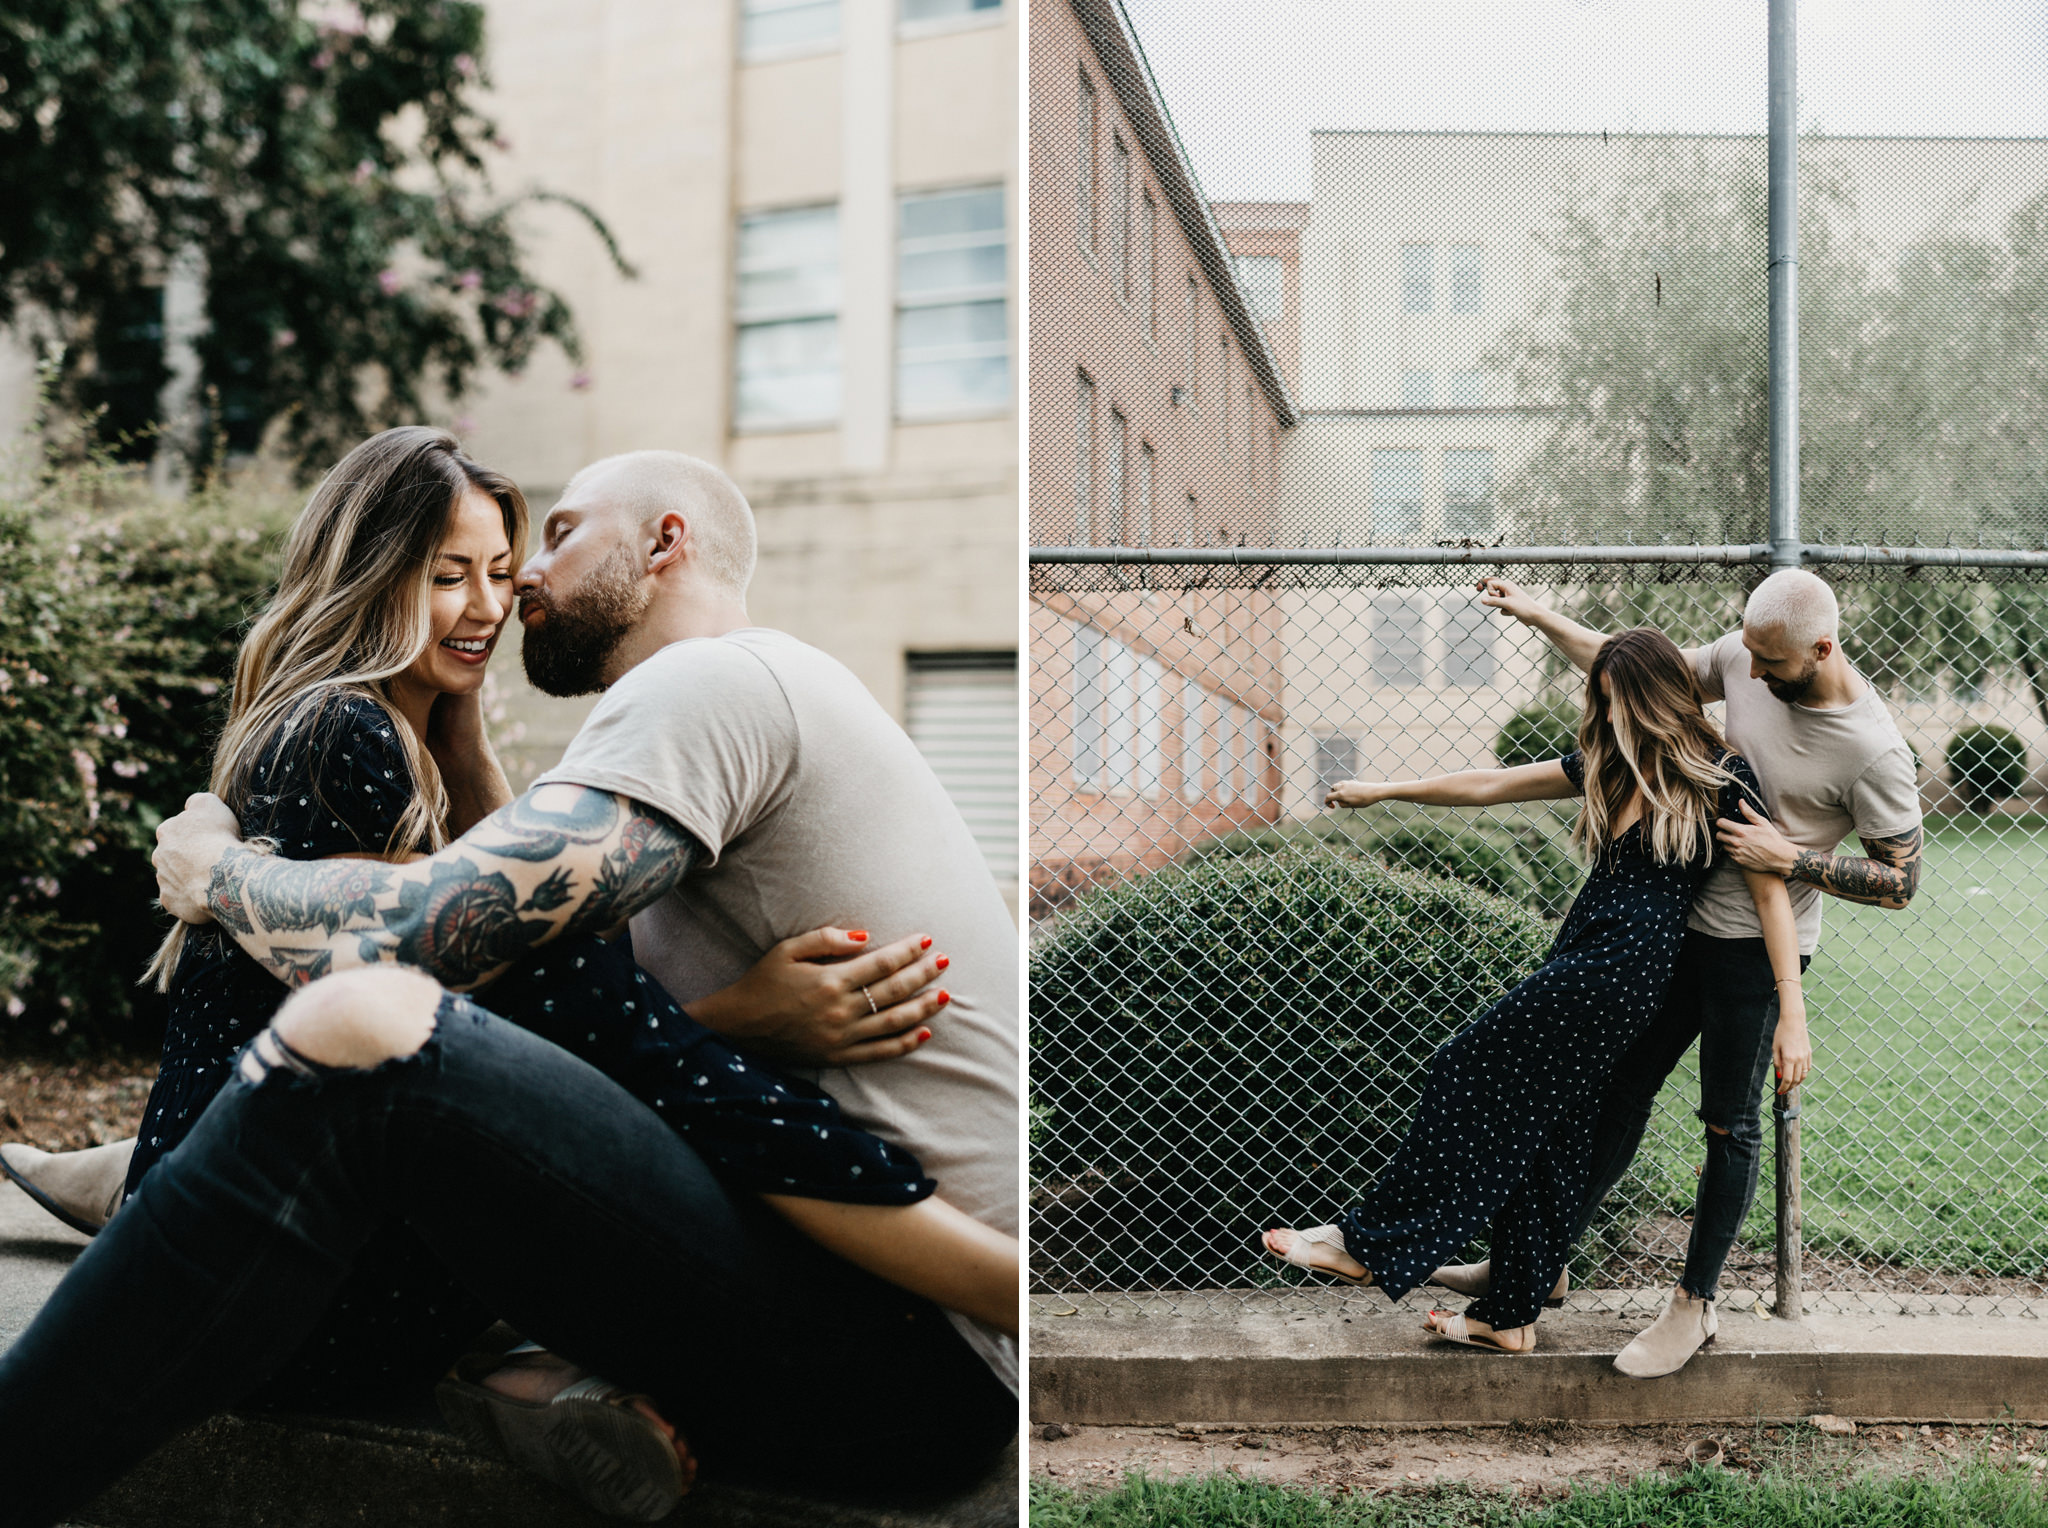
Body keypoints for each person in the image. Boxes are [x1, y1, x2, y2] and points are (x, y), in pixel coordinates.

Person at [0, 444, 1019, 1528]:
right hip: (879, 1316)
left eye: (556, 535)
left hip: (895, 1334)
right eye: (459, 570)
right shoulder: (729, 712)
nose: (519, 580)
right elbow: (566, 1004)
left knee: (370, 1018)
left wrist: (219, 872)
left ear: (665, 540)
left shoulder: (705, 684)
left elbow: (456, 937)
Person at [1426, 570, 1922, 1377]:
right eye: (1747, 657)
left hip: (1760, 953)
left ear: (1823, 649)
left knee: (1729, 1125)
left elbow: (1902, 882)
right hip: (1676, 927)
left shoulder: (1873, 750)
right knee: (1611, 1093)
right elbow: (1636, 671)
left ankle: (1694, 1306)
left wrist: (1791, 857)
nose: (1748, 678)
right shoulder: (1745, 654)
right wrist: (1541, 614)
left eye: (1770, 665)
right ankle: (1536, 1264)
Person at [1262, 628, 1805, 1356]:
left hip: (1622, 970)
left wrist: (1791, 1016)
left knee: (1466, 1063)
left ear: (1660, 698)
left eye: (1625, 705)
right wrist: (1386, 789)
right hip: (1585, 949)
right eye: (1603, 703)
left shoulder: (1717, 775)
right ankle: (1510, 1313)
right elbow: (1493, 784)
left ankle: (1367, 1244)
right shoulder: (1610, 762)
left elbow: (1772, 897)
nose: (1611, 719)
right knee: (1552, 1131)